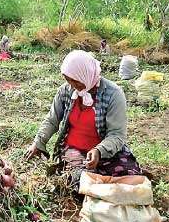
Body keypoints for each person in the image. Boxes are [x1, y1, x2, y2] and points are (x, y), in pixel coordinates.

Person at [25, 50, 141, 189]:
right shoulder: (65, 91)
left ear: (85, 73)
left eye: (75, 80)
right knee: (81, 182)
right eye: (68, 80)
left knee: (130, 181)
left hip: (107, 150)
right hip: (75, 149)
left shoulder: (113, 94)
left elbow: (117, 134)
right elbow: (52, 120)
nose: (72, 85)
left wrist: (99, 151)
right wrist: (38, 142)